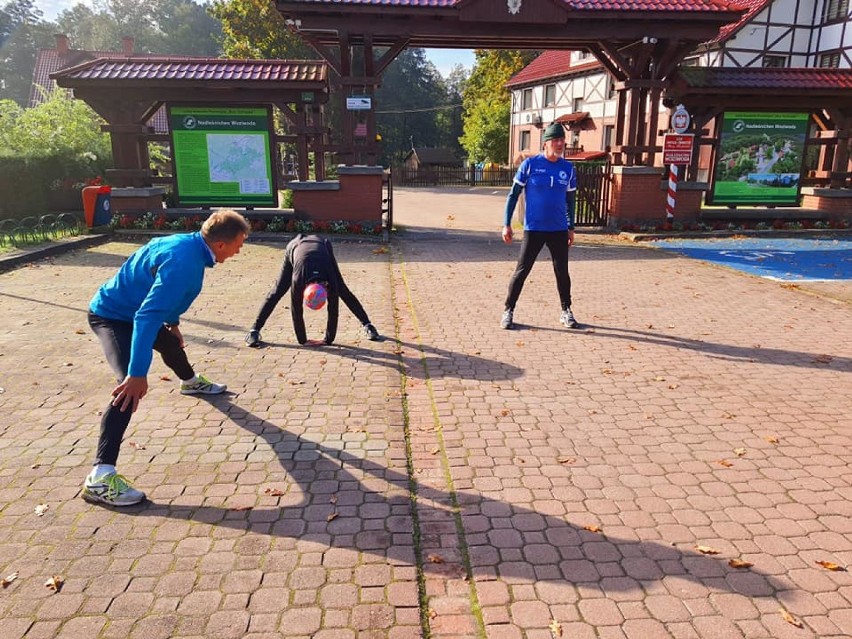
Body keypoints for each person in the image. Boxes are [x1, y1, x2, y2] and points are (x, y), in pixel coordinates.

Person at [84, 209, 250, 506]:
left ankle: (190, 382)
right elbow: (146, 315)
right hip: (112, 316)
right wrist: (137, 374)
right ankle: (100, 477)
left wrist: (172, 323)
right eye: (239, 244)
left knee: (172, 345)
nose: (240, 251)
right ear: (222, 244)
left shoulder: (190, 246)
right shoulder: (184, 261)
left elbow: (166, 294)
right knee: (127, 390)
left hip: (136, 312)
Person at [501, 121, 579, 330]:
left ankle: (566, 311)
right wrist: (506, 224)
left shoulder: (568, 168)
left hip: (558, 229)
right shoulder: (530, 165)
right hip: (534, 229)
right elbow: (513, 195)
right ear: (546, 143)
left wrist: (571, 227)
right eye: (556, 140)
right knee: (522, 271)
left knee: (562, 271)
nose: (560, 143)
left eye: (562, 140)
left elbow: (570, 201)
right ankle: (508, 311)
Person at [245, 233, 379, 347]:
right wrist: (303, 340)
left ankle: (368, 325)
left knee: (342, 290)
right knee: (276, 292)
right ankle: (254, 331)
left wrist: (328, 339)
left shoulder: (329, 277)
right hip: (295, 247)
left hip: (322, 245)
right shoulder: (299, 278)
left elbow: (334, 307)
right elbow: (296, 308)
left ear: (325, 288)